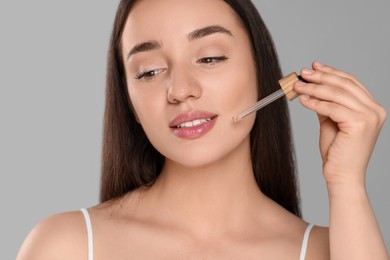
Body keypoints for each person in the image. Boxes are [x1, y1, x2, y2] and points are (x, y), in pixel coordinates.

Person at [17, 0, 388, 259]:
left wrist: (346, 182)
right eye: (148, 71)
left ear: (261, 70)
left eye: (210, 58)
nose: (180, 91)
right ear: (130, 103)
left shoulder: (329, 251)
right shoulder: (66, 246)